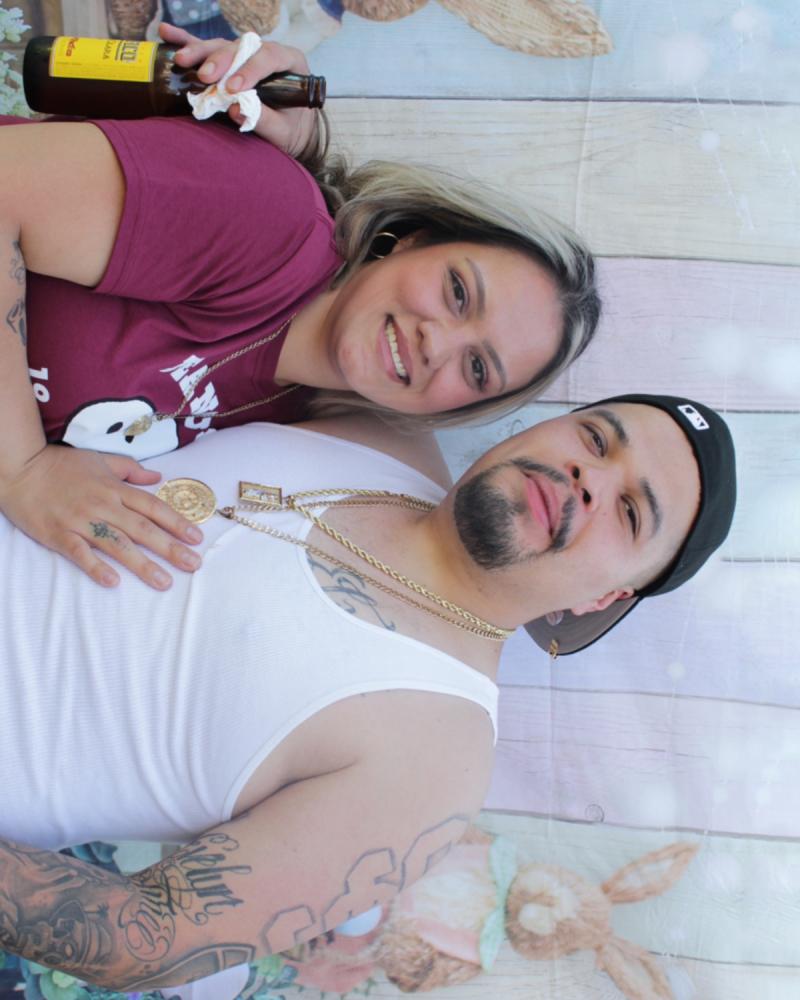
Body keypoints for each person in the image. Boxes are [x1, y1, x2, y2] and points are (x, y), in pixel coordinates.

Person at [0, 391, 736, 992]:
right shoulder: (379, 425)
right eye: (596, 439)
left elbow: (146, 937)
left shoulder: (434, 764)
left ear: (604, 599)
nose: (589, 478)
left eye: (630, 513)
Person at [0, 24, 600, 594]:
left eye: (477, 368)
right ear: (412, 239)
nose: (436, 343)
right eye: (458, 292)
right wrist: (23, 470)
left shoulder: (301, 421)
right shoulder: (271, 220)